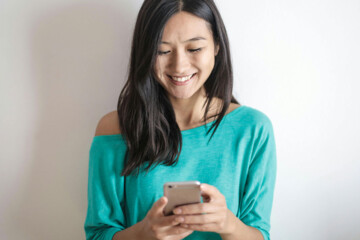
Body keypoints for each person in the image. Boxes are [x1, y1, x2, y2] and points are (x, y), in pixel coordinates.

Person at [84, 0, 277, 240]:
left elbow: (259, 233)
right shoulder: (114, 130)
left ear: (217, 45)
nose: (179, 66)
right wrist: (143, 233)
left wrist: (227, 223)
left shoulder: (253, 129)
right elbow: (98, 233)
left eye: (194, 49)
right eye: (162, 51)